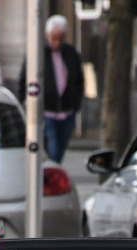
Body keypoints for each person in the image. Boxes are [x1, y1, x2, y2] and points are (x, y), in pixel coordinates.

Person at [17, 15, 84, 164]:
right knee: (53, 148)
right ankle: (51, 175)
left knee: (60, 149)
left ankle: (52, 172)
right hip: (47, 111)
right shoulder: (38, 54)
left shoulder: (71, 53)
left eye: (60, 38)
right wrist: (26, 103)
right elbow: (24, 80)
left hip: (67, 112)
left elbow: (79, 80)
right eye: (54, 38)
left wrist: (76, 104)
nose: (57, 42)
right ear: (47, 35)